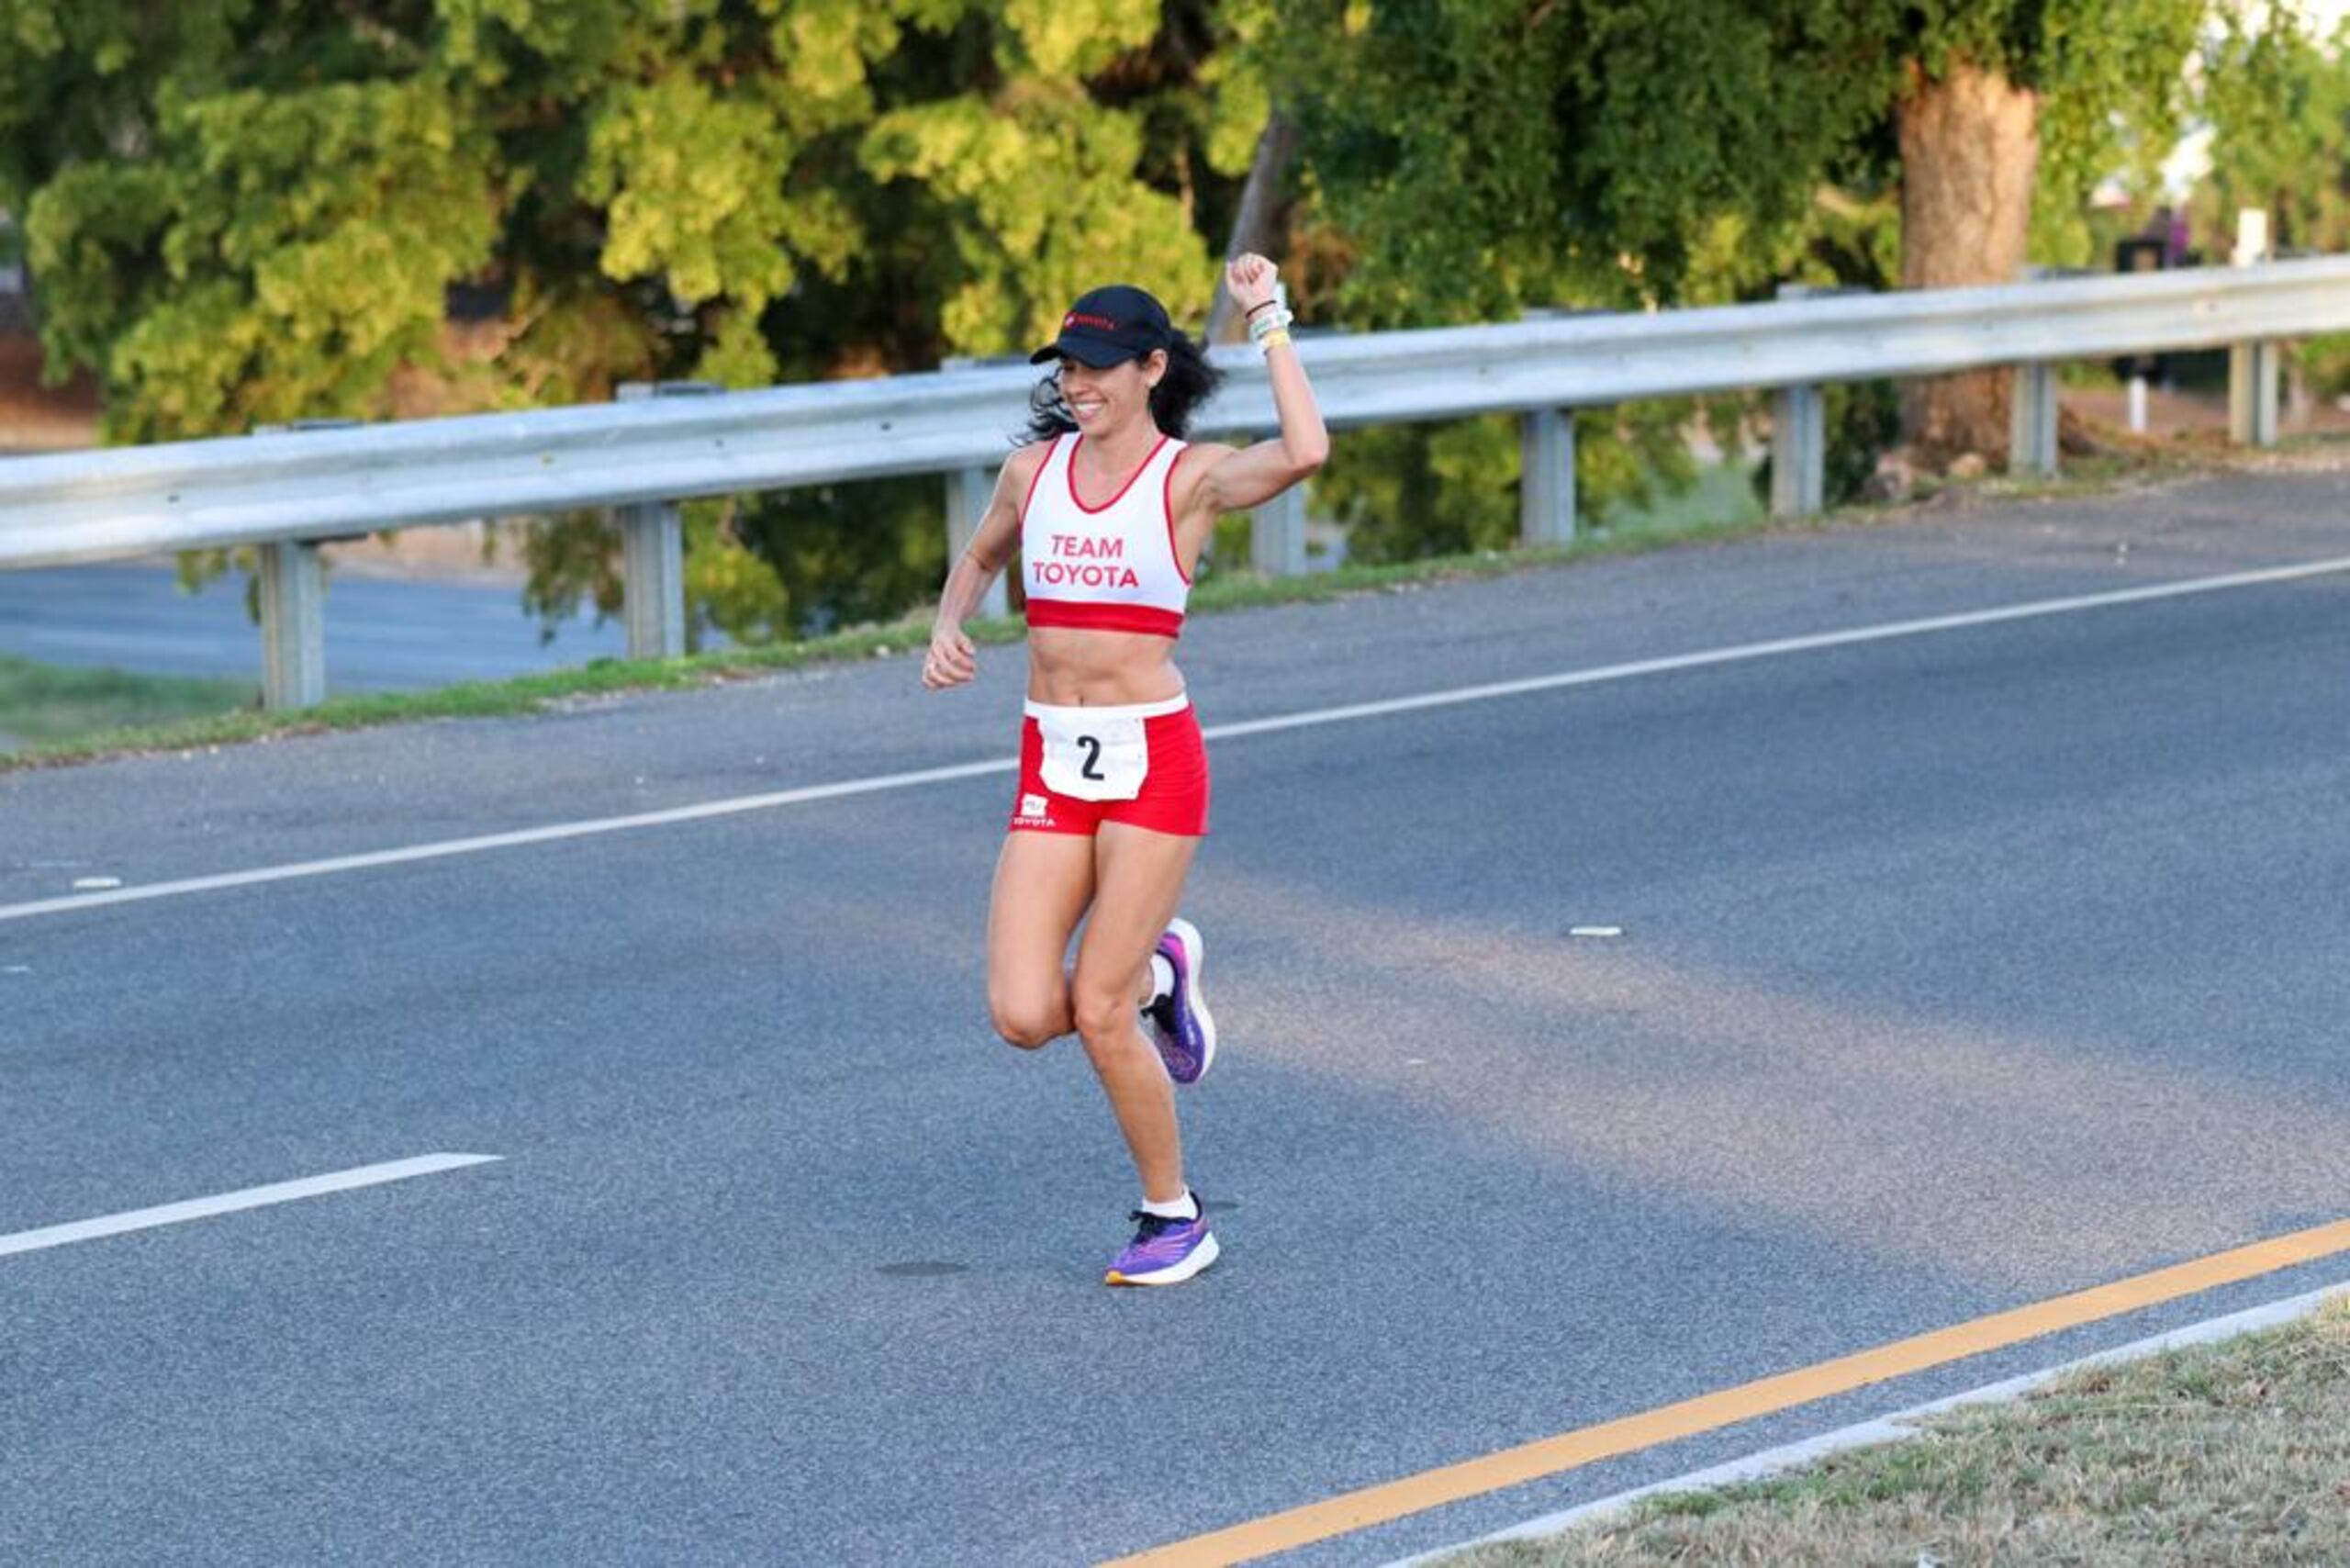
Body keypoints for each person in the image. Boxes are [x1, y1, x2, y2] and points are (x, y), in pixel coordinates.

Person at [921, 255, 1328, 1285]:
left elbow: (1308, 449)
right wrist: (947, 626)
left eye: (1098, 367)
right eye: (1065, 367)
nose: (1076, 384)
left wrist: (1267, 317)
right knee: (1022, 1012)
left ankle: (1173, 1215)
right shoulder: (1032, 474)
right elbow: (979, 557)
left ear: (1152, 368)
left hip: (1152, 762)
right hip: (1052, 761)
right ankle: (1163, 972)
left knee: (1095, 1010)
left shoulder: (1189, 480)